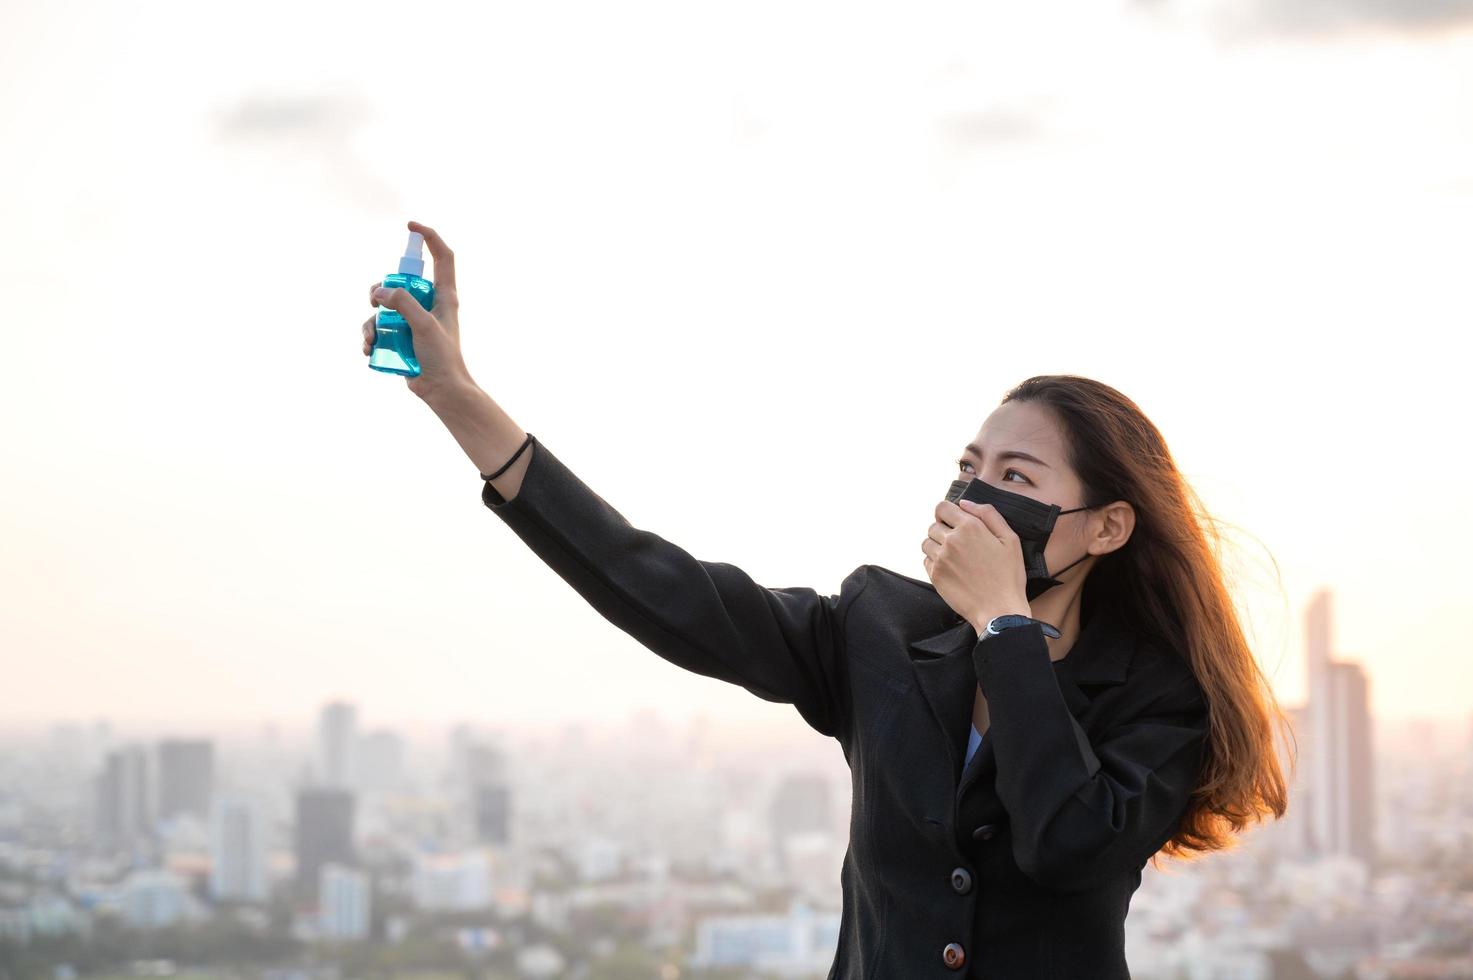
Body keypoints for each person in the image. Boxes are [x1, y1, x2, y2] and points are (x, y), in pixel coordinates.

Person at [362, 221, 1293, 979]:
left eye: (1016, 474)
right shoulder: (878, 627)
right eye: (967, 469)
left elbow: (1066, 844)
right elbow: (659, 586)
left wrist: (1004, 623)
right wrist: (455, 397)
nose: (975, 496)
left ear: (1106, 527)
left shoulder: (1160, 695)